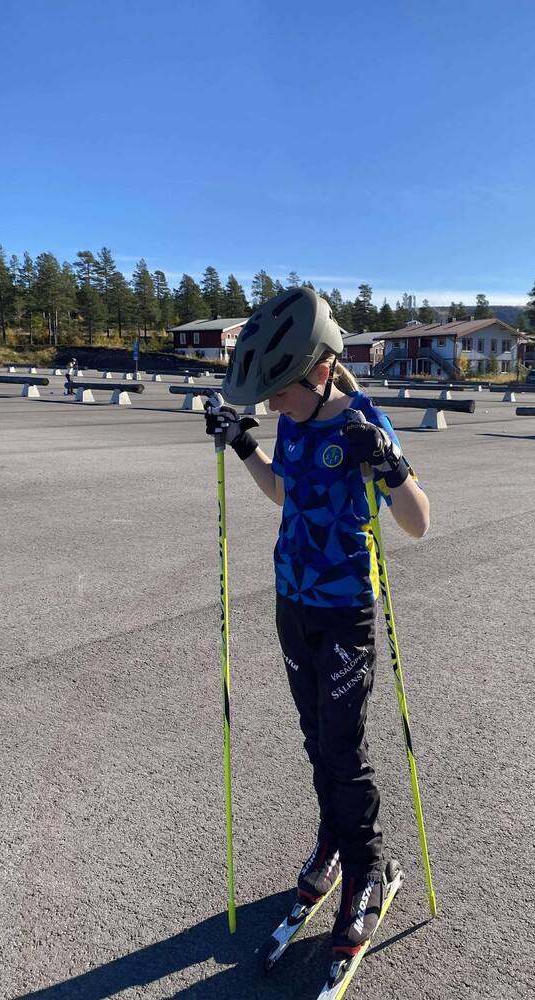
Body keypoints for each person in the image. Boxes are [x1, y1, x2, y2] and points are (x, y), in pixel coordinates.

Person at [204, 287, 429, 959]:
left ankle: (367, 868)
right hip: (292, 604)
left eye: (279, 391)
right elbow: (285, 491)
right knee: (315, 739)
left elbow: (418, 521)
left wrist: (388, 465)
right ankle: (333, 840)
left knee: (343, 748)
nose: (274, 404)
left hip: (344, 613)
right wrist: (244, 444)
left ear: (320, 370)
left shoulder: (364, 422)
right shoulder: (293, 423)